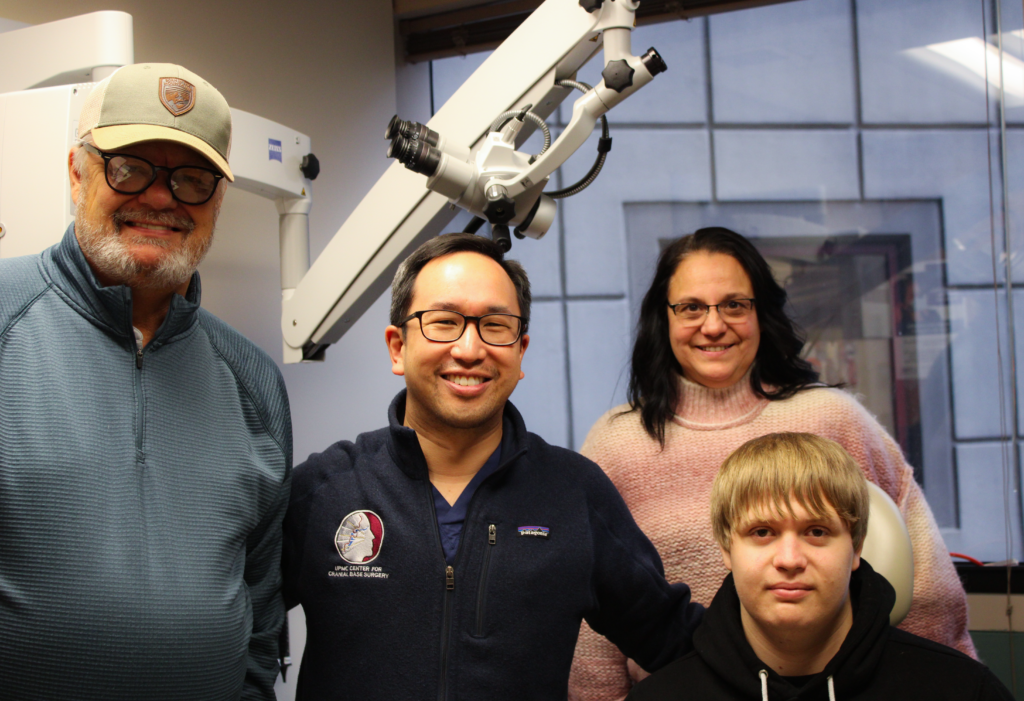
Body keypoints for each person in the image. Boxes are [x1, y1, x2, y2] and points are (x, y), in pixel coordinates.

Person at [282, 233, 704, 700]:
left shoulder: (572, 494)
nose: (469, 349)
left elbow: (681, 644)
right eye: (443, 322)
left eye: (495, 326)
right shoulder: (325, 491)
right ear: (397, 347)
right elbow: (231, 630)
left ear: (520, 351)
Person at [569, 227, 973, 700]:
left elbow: (926, 588)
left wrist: (926, 683)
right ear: (664, 319)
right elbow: (593, 616)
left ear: (762, 314)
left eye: (734, 305)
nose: (714, 325)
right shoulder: (617, 445)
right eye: (692, 307)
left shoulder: (832, 419)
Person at [0, 64, 291, 701]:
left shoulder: (253, 382)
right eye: (129, 167)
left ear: (217, 200)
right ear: (77, 172)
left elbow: (261, 613)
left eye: (191, 179)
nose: (161, 198)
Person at [626, 432, 1012, 701]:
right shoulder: (661, 697)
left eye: (816, 531)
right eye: (762, 532)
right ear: (727, 547)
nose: (790, 560)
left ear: (856, 545)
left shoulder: (959, 690)